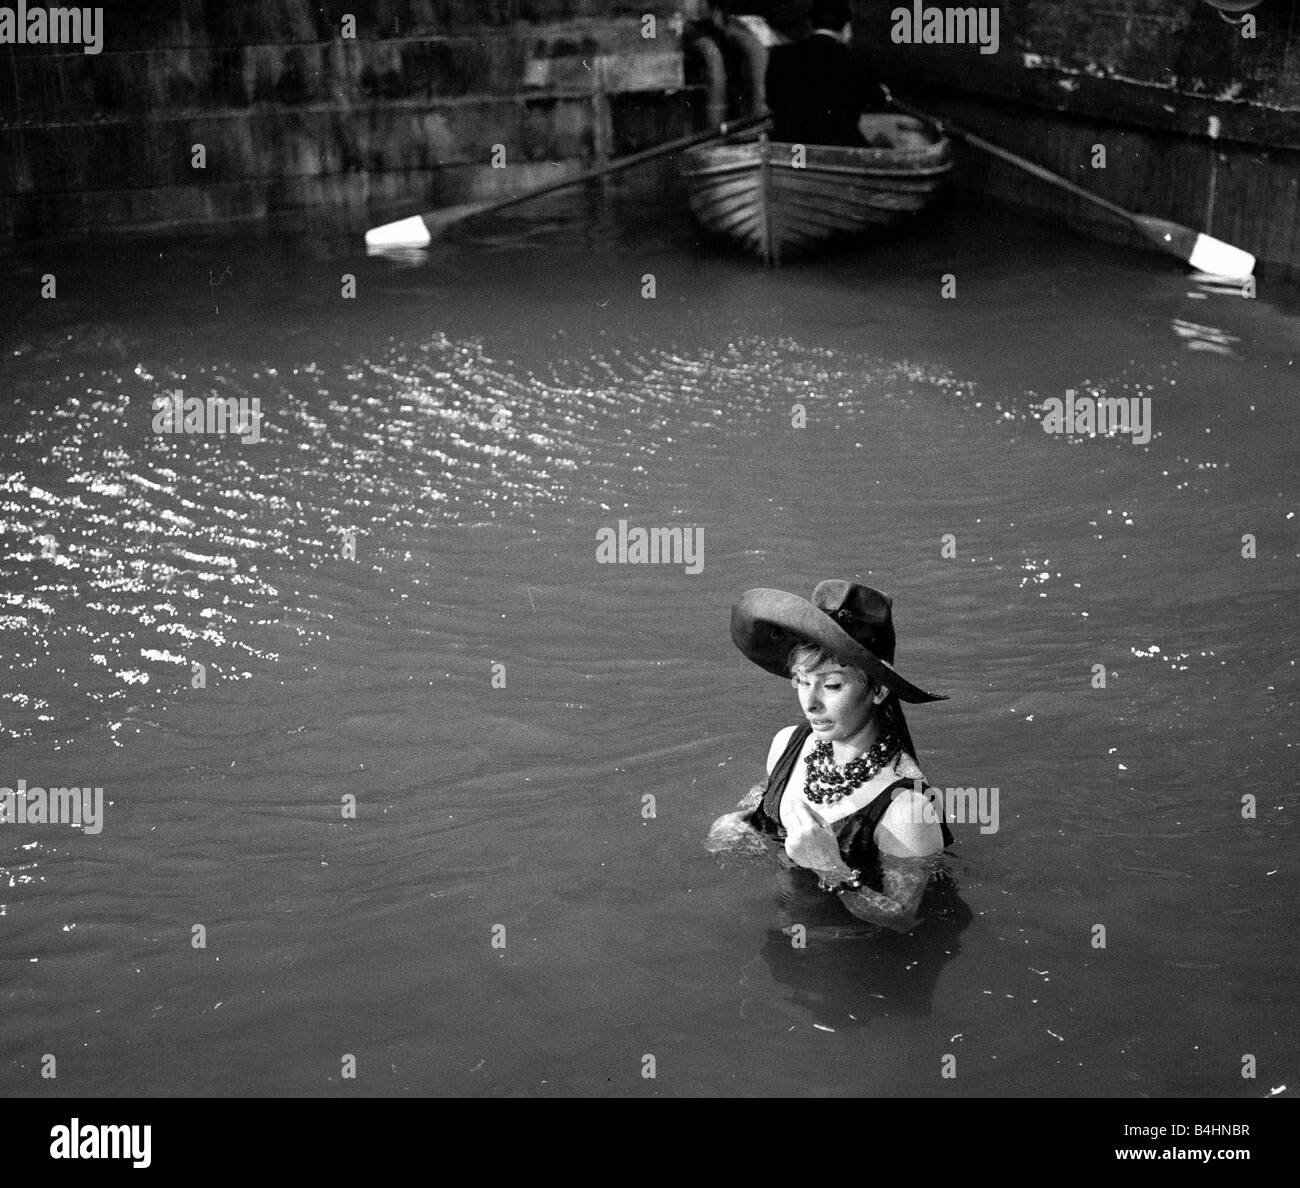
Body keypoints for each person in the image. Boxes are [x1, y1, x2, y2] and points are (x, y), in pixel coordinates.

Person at [707, 579, 953, 932]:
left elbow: (902, 918)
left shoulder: (907, 809)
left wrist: (830, 867)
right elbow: (765, 799)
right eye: (802, 681)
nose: (811, 703)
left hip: (855, 964)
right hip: (785, 933)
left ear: (879, 689)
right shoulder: (787, 744)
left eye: (833, 685)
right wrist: (740, 820)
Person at [764, 0, 890, 146]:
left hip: (792, 150)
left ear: (810, 24)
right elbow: (874, 101)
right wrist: (883, 94)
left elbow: (772, 101)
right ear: (847, 27)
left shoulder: (780, 55)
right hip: (838, 149)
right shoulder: (855, 59)